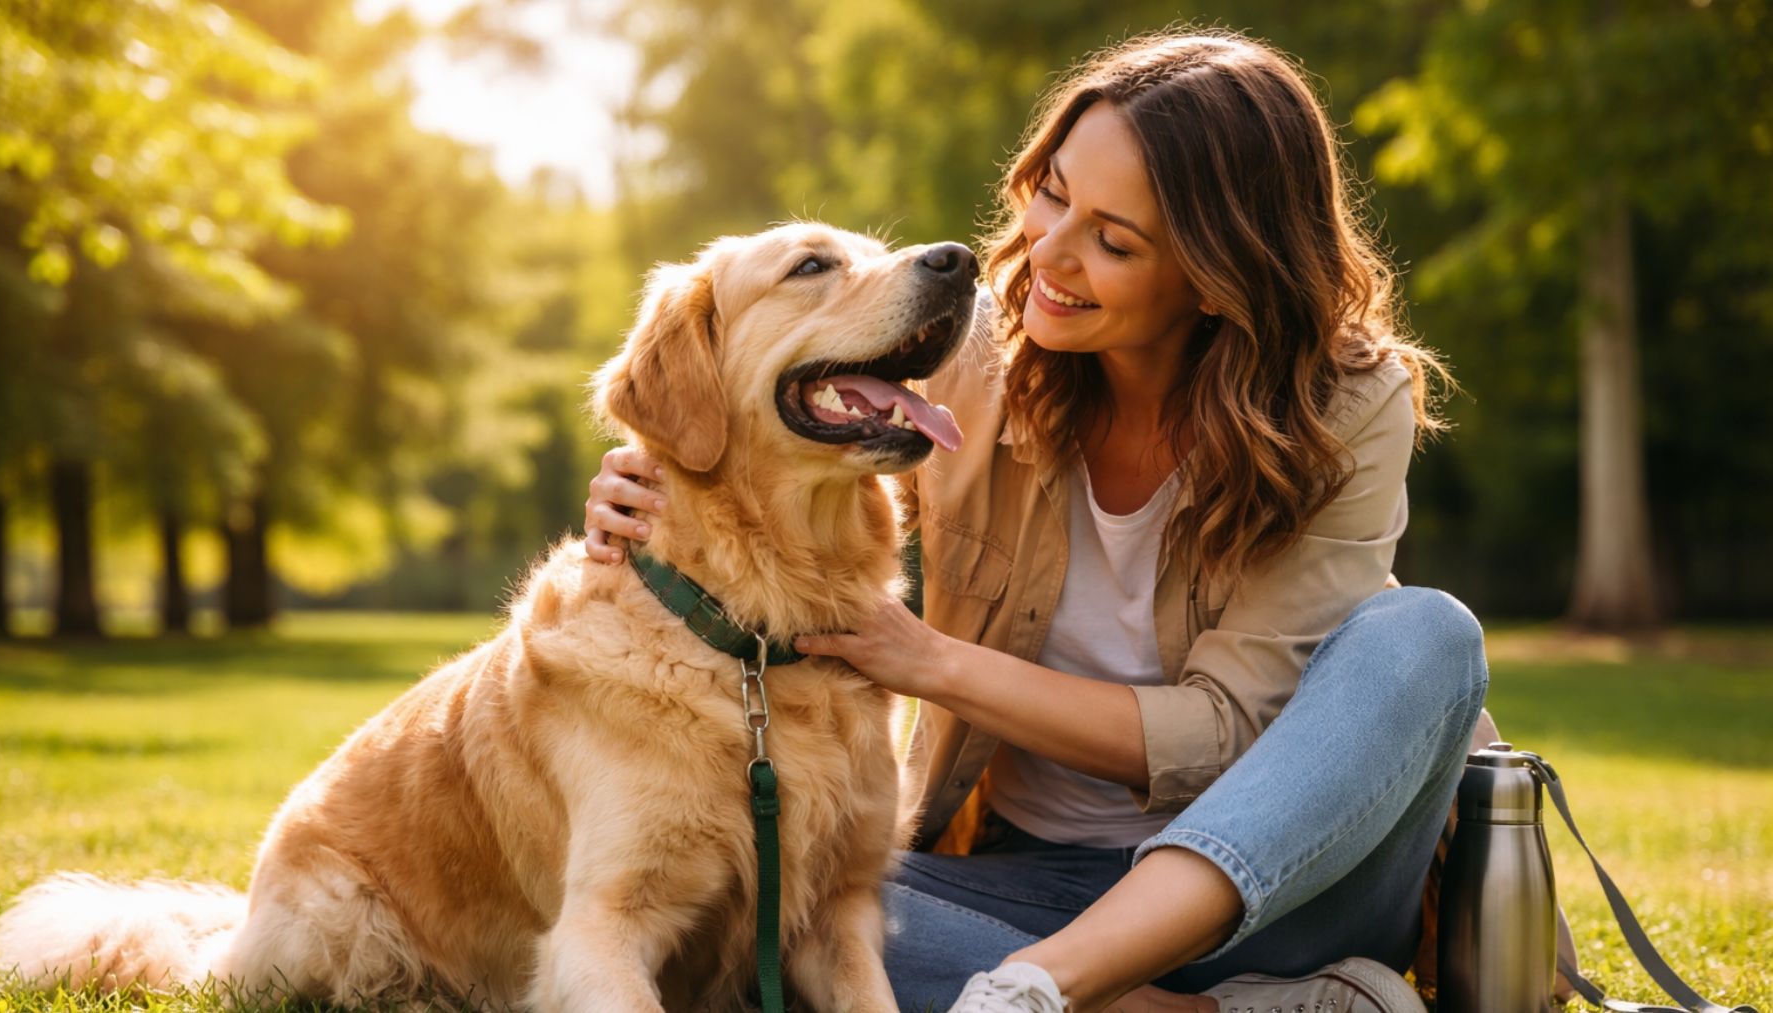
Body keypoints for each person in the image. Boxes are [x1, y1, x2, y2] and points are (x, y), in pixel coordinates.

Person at [583, 30, 1489, 1013]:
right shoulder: (974, 355)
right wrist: (658, 471)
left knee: (1425, 632)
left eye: (1114, 240)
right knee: (788, 918)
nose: (1047, 257)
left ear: (1216, 276)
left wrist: (928, 660)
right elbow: (770, 426)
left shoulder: (1348, 406)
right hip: (1016, 880)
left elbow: (1226, 729)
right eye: (1053, 194)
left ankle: (1039, 991)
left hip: (1287, 887)